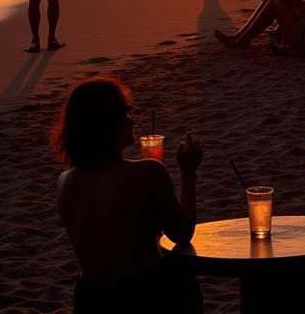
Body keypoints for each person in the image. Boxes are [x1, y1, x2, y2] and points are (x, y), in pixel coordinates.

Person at [55, 77, 203, 313]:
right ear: (107, 124)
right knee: (184, 278)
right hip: (144, 293)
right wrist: (188, 173)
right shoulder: (147, 172)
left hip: (90, 298)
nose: (132, 121)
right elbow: (182, 233)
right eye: (125, 114)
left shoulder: (65, 182)